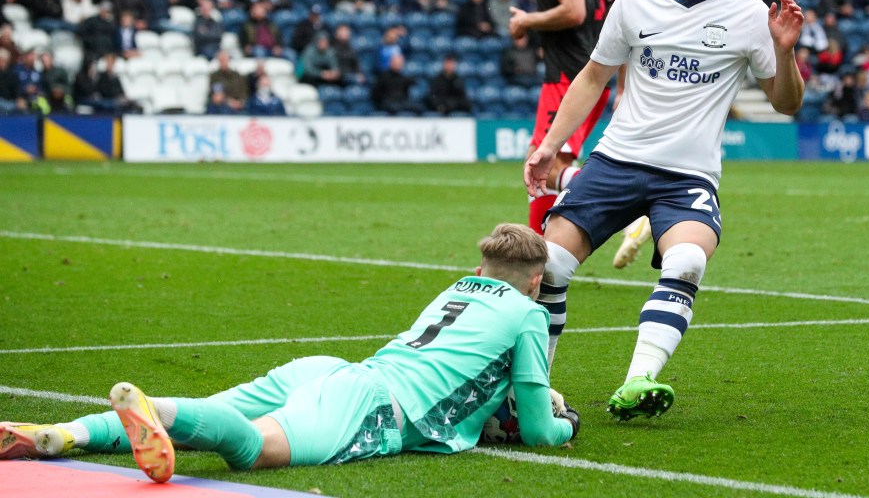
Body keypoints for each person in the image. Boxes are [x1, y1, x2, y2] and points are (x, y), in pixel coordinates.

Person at [0, 224, 578, 483]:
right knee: (256, 450)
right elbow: (534, 425)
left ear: (481, 270)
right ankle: (162, 416)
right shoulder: (528, 313)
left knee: (216, 404)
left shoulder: (456, 287)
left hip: (335, 371)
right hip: (374, 404)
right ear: (533, 282)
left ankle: (64, 433)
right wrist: (561, 427)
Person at [523, 0, 805, 420]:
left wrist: (785, 51)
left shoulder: (749, 17)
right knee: (550, 265)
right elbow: (592, 77)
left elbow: (787, 102)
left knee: (689, 259)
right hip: (616, 161)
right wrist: (550, 147)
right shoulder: (634, 2)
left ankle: (638, 381)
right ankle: (533, 391)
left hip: (687, 176)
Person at [505, 0, 649, 266]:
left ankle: (637, 211)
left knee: (543, 167)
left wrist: (526, 20)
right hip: (593, 76)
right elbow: (623, 18)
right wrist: (621, 85)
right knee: (547, 170)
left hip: (570, 77)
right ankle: (535, 259)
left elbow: (573, 11)